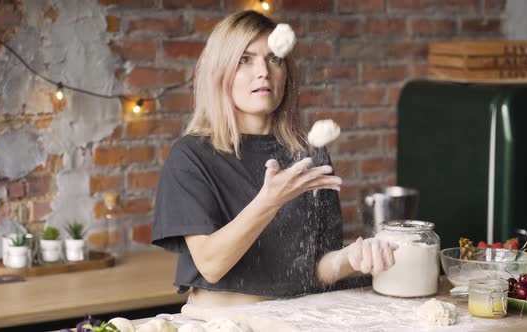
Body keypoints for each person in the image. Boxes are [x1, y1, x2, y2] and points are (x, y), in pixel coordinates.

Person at [152, 10, 397, 307]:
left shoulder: (308, 154)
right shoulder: (191, 157)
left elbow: (314, 271)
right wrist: (269, 202)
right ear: (220, 72)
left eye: (274, 58)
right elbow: (211, 265)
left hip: (293, 318)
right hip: (220, 322)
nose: (263, 72)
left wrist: (353, 257)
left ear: (286, 74)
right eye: (245, 59)